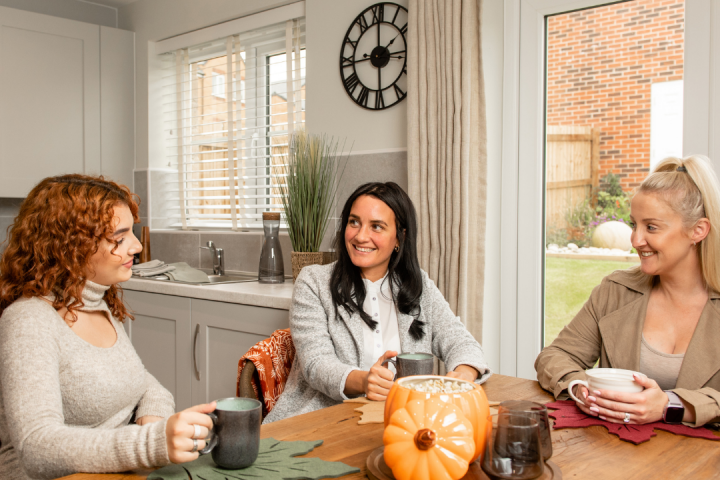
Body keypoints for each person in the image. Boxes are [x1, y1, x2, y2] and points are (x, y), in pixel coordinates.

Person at [0, 175, 215, 480]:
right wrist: (151, 443)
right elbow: (37, 445)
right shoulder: (28, 321)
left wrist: (154, 423)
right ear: (72, 246)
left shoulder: (97, 303)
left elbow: (144, 384)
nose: (137, 246)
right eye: (120, 237)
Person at [264, 182, 490, 423]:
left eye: (377, 227)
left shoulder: (417, 285)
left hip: (408, 419)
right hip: (324, 420)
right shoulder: (314, 282)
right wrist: (364, 381)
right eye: (354, 222)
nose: (361, 236)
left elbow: (460, 341)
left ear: (399, 239)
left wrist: (464, 373)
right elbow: (316, 365)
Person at [536, 155, 720, 427]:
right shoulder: (615, 292)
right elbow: (555, 356)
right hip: (618, 458)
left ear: (698, 230)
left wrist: (671, 404)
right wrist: (580, 387)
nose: (635, 240)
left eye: (651, 227)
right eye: (634, 224)